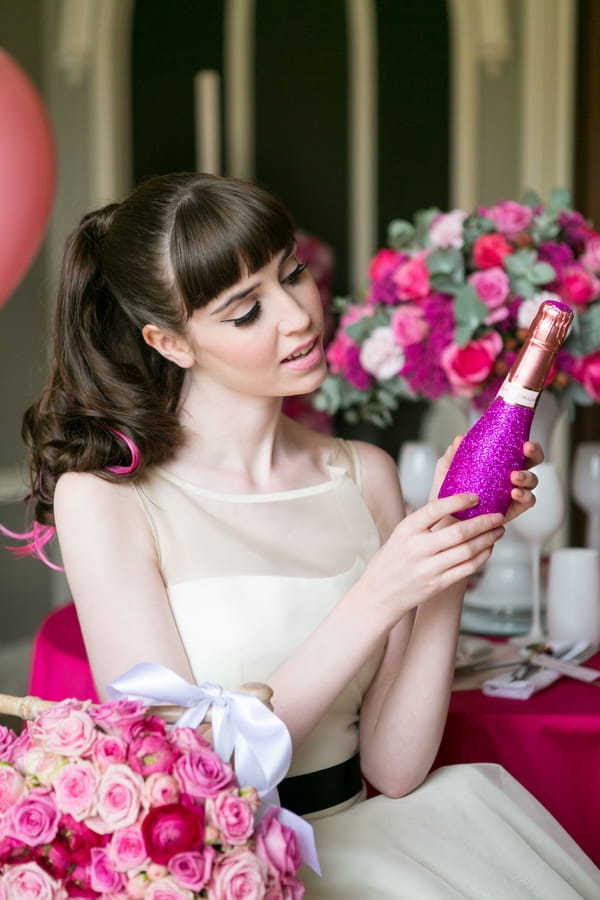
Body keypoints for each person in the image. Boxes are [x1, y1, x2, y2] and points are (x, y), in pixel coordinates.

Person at [17, 173, 599, 896]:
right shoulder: (106, 498)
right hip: (228, 871)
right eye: (246, 310)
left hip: (386, 845)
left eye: (292, 274)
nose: (297, 316)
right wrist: (382, 592)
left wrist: (448, 554)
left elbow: (394, 766)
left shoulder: (365, 475)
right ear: (170, 342)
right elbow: (180, 769)